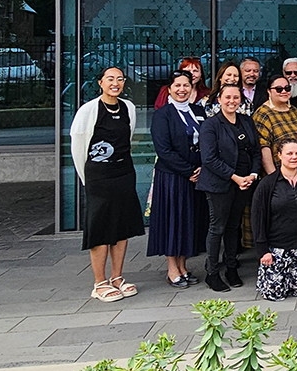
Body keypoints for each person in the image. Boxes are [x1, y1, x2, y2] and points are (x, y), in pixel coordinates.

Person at [70, 67, 144, 302]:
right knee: (100, 228)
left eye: (120, 79)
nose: (115, 83)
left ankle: (117, 277)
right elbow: (78, 146)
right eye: (110, 79)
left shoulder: (128, 108)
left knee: (122, 226)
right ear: (101, 82)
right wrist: (88, 177)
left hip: (123, 173)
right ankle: (99, 282)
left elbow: (128, 137)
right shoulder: (88, 110)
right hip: (98, 176)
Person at [197, 84, 261, 292]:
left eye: (236, 97)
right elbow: (208, 158)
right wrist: (234, 177)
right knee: (218, 227)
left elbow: (256, 151)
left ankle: (231, 268)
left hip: (244, 182)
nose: (232, 101)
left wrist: (252, 174)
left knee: (235, 226)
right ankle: (212, 272)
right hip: (220, 183)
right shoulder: (211, 125)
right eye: (228, 97)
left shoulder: (246, 121)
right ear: (219, 100)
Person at [147, 70, 207, 287]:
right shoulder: (162, 115)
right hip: (173, 177)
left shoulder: (198, 111)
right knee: (173, 222)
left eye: (186, 85)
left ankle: (184, 266)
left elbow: (207, 140)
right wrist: (189, 170)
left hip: (196, 176)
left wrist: (201, 168)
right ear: (169, 89)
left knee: (188, 221)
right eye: (177, 85)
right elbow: (164, 150)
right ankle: (172, 269)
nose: (182, 89)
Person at [251, 138, 297, 301]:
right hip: (276, 248)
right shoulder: (267, 184)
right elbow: (257, 217)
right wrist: (263, 250)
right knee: (275, 294)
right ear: (280, 155)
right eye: (289, 153)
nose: (294, 157)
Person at [255, 74, 297, 176]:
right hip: (280, 177)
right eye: (279, 89)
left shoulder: (294, 110)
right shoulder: (263, 114)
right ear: (269, 91)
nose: (284, 92)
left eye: (287, 88)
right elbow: (263, 149)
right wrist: (274, 179)